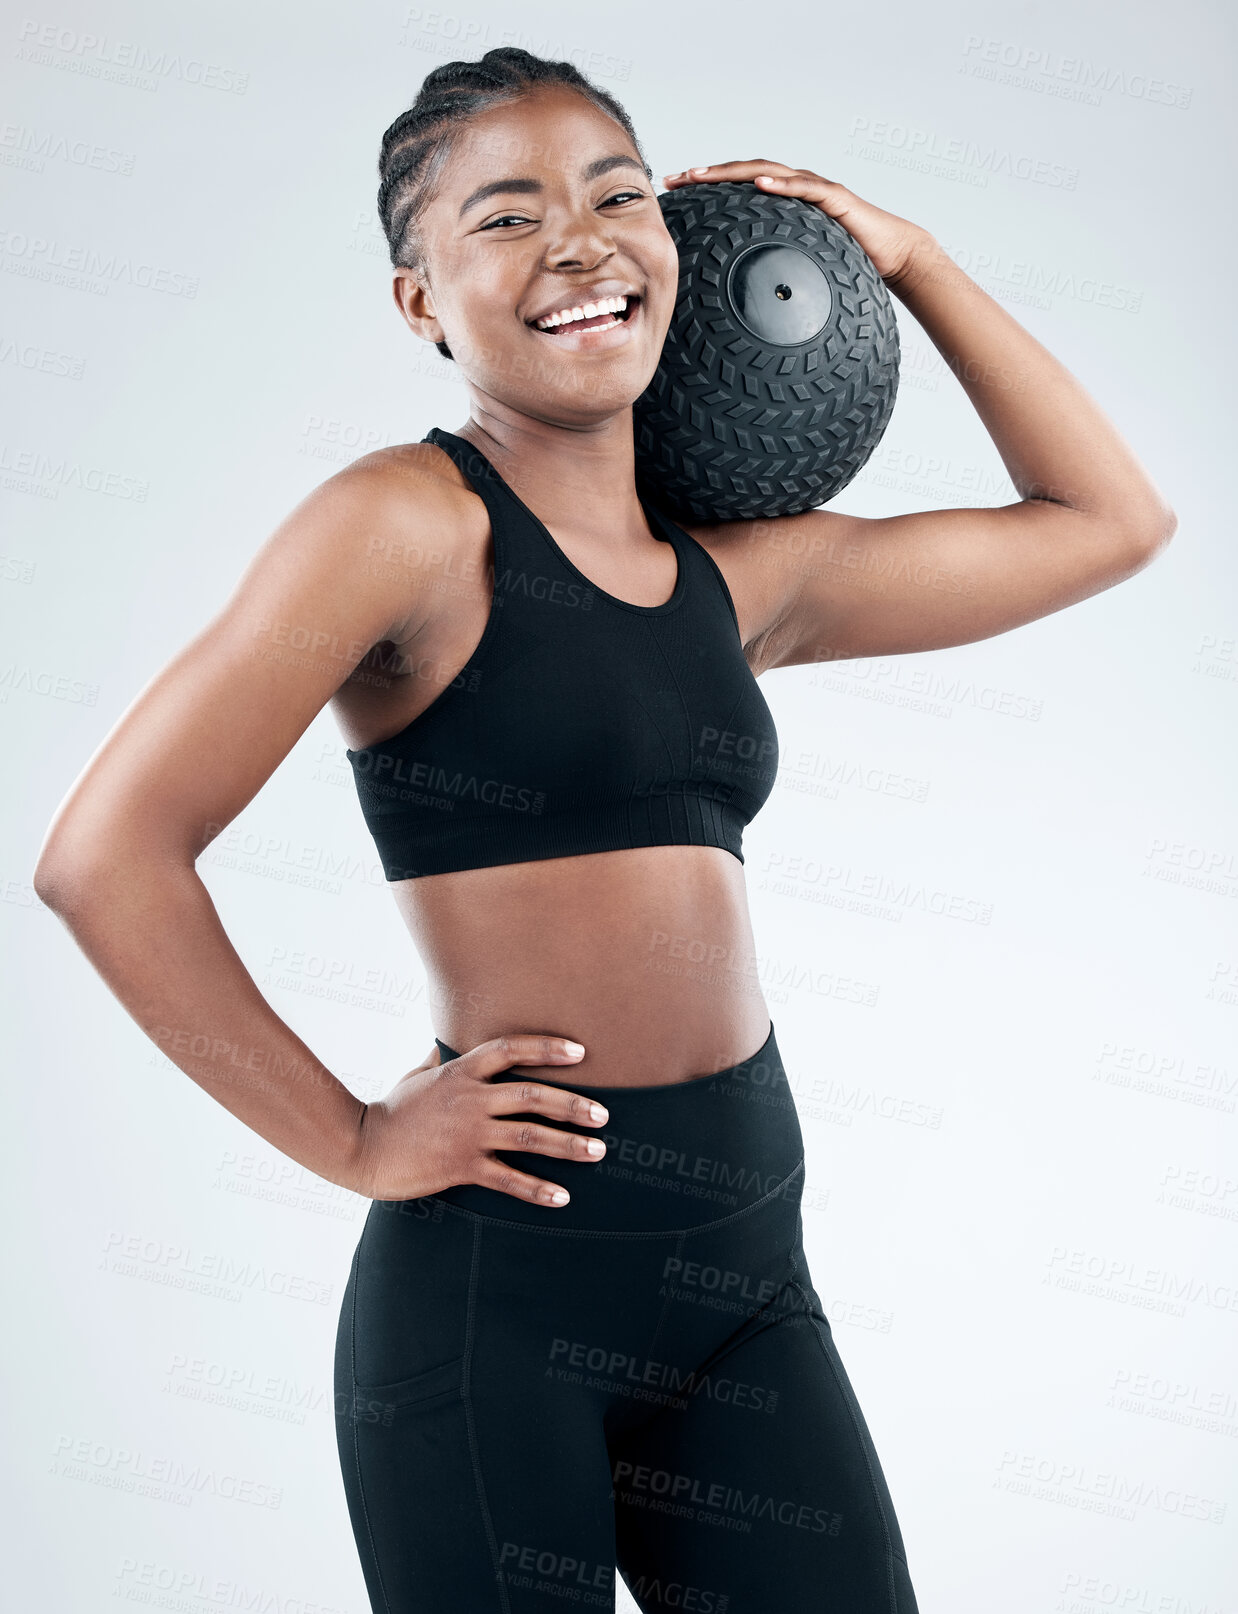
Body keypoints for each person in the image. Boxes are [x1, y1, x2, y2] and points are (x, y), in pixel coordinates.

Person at [33, 44, 1175, 1614]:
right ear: (418, 302)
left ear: (679, 244)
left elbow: (1106, 521)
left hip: (745, 1272)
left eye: (615, 195)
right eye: (504, 217)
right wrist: (356, 1139)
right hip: (503, 1291)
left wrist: (899, 255)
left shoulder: (739, 580)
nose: (576, 239)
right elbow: (105, 857)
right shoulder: (403, 525)